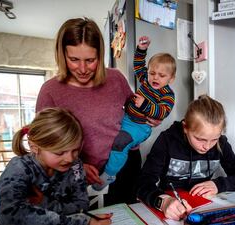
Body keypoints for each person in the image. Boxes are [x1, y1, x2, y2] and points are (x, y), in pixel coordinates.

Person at [36, 17, 160, 205]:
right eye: (74, 60)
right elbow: (43, 144)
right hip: (77, 172)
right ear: (62, 55)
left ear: (100, 55)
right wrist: (76, 167)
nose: (83, 69)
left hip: (125, 166)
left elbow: (134, 109)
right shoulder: (50, 91)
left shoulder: (115, 78)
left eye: (90, 60)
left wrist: (152, 115)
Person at [136, 95, 235, 220]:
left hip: (204, 207)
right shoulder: (167, 140)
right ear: (185, 127)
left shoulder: (221, 143)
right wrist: (163, 202)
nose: (207, 146)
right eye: (200, 139)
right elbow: (143, 183)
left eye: (214, 139)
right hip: (171, 205)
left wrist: (218, 185)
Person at [0, 108, 112, 225]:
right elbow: (9, 216)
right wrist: (82, 223)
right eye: (59, 153)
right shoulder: (19, 168)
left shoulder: (76, 166)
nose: (70, 159)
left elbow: (81, 206)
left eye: (75, 150)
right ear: (34, 147)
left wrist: (44, 203)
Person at [93, 35, 176, 190]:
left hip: (140, 126)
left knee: (121, 142)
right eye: (152, 73)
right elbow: (138, 65)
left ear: (171, 79)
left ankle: (110, 173)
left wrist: (145, 104)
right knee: (110, 136)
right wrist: (141, 49)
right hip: (127, 118)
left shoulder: (167, 95)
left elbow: (162, 112)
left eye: (162, 75)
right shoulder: (145, 80)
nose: (155, 78)